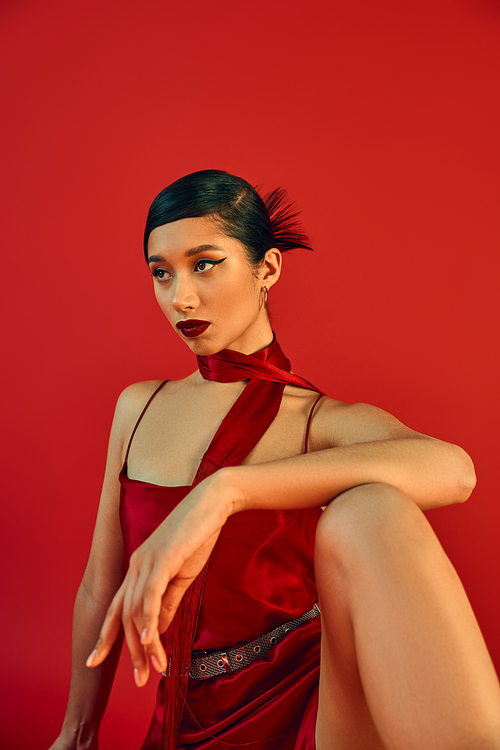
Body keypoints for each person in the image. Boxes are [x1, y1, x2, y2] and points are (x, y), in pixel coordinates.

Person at [50, 170, 500, 750]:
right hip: (185, 714)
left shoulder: (318, 421)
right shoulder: (140, 408)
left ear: (268, 269)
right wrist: (75, 735)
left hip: (316, 712)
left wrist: (226, 492)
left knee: (370, 508)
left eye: (204, 264)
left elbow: (455, 470)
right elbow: (99, 586)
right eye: (161, 273)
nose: (180, 296)